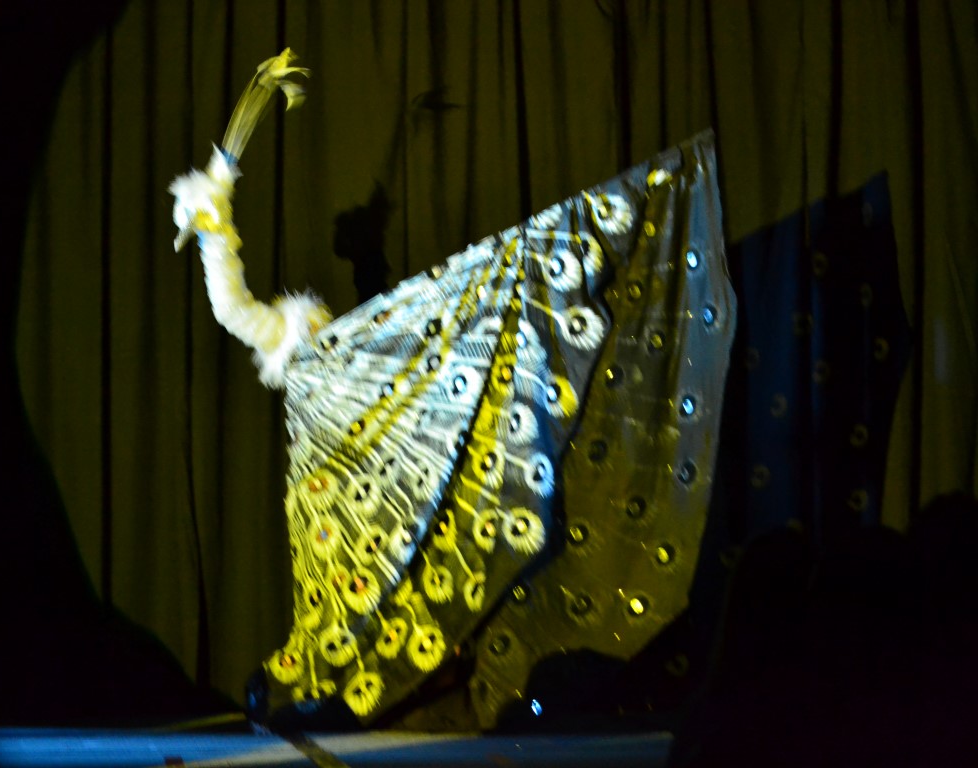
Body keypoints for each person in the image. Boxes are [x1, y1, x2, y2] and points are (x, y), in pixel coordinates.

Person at [170, 50, 737, 731]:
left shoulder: (357, 348)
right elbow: (231, 307)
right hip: (338, 483)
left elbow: (379, 321)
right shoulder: (302, 347)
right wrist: (216, 221)